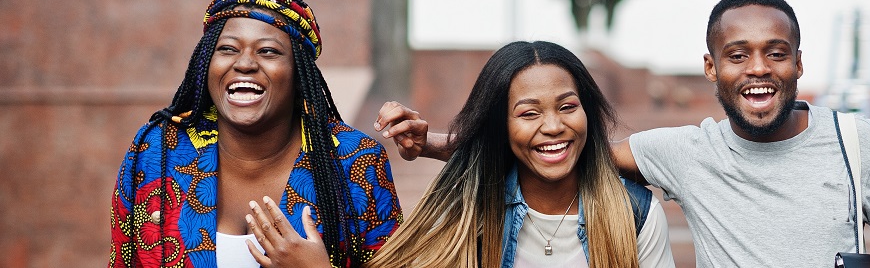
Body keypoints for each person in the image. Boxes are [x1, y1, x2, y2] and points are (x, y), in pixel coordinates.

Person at [379, 0, 870, 267]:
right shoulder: (688, 151)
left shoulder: (854, 141)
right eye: (738, 55)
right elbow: (561, 146)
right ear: (712, 68)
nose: (758, 69)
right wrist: (430, 144)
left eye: (775, 53)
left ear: (799, 63)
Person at [251, 41, 675, 267]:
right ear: (500, 126)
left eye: (568, 106)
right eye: (528, 113)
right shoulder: (471, 207)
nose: (553, 126)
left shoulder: (634, 214)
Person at [109, 0, 403, 268]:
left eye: (268, 51)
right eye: (227, 49)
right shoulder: (158, 150)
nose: (245, 63)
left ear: (299, 73)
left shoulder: (355, 161)